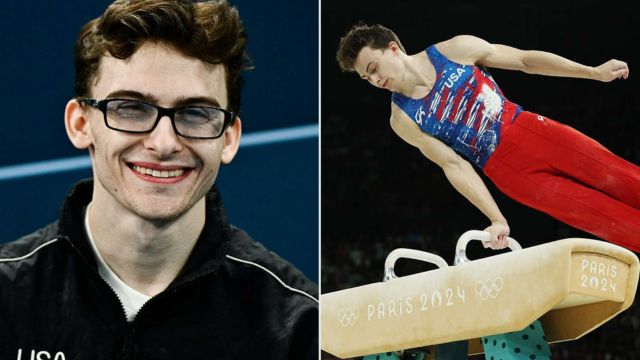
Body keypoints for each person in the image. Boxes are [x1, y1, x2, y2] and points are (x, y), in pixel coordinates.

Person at [0, 1, 318, 359]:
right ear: (80, 124)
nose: (164, 143)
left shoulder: (301, 328)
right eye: (131, 108)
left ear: (229, 138)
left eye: (196, 113)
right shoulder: (7, 297)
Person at [336, 24, 638, 252]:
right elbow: (453, 164)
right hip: (508, 172)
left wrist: (592, 72)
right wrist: (497, 219)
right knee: (597, 216)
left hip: (531, 131)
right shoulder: (402, 118)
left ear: (392, 48)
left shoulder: (453, 50)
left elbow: (524, 61)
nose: (375, 80)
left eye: (373, 68)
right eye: (366, 78)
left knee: (616, 175)